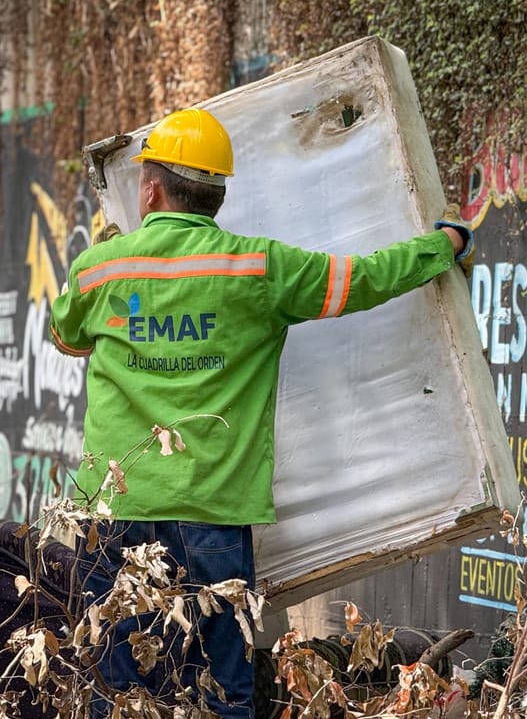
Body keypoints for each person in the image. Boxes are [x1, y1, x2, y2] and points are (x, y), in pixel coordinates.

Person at [49, 107, 473, 717]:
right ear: (217, 195)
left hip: (115, 516)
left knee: (114, 692)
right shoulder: (260, 267)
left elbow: (67, 338)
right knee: (221, 692)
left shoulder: (102, 268)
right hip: (213, 519)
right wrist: (445, 244)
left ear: (150, 189)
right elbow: (365, 279)